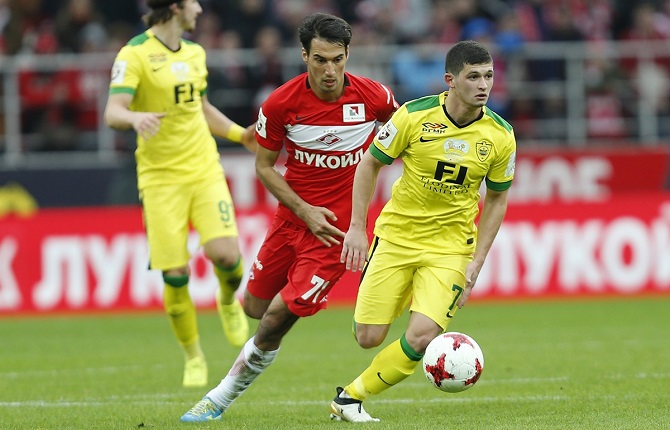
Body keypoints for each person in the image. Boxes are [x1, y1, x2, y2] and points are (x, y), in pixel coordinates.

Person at [180, 12, 398, 422]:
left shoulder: (376, 98)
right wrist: (303, 210)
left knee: (277, 316)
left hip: (334, 235)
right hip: (290, 222)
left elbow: (406, 136)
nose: (330, 70)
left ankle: (219, 398)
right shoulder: (281, 104)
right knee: (254, 307)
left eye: (337, 59)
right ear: (304, 56)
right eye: (320, 60)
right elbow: (264, 167)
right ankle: (298, 298)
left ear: (348, 55)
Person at [330, 40, 517, 422]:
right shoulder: (413, 116)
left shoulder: (500, 135)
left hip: (451, 248)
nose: (484, 85)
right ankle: (405, 293)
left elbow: (497, 199)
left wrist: (477, 261)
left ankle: (350, 398)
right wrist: (357, 228)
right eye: (473, 77)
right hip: (397, 237)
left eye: (488, 76)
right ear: (450, 80)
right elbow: (368, 165)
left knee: (420, 336)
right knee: (368, 337)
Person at [103, 0, 256, 388]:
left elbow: (201, 108)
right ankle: (193, 356)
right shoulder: (134, 54)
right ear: (174, 7)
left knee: (228, 257)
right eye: (193, 3)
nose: (199, 9)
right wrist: (135, 117)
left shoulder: (195, 53)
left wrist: (240, 135)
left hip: (203, 169)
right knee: (175, 273)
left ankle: (227, 299)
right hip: (160, 180)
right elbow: (112, 111)